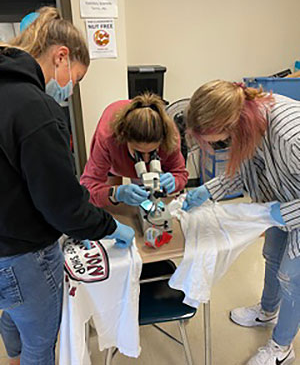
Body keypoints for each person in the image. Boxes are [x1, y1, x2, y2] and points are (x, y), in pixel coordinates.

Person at [0, 7, 134, 365]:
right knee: (41, 344)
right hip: (22, 255)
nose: (71, 88)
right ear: (61, 55)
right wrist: (109, 224)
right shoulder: (35, 109)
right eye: (76, 77)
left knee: (11, 313)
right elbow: (63, 205)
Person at [182, 80, 300, 365]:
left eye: (217, 140)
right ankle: (268, 311)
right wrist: (208, 190)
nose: (221, 146)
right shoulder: (248, 118)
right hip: (283, 197)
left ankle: (282, 347)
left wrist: (284, 214)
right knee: (272, 255)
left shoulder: (290, 135)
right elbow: (248, 166)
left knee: (291, 276)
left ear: (229, 124)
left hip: (293, 204)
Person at [80, 93, 188, 207]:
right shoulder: (108, 139)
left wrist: (175, 182)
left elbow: (180, 174)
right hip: (115, 157)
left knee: (143, 195)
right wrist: (115, 193)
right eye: (139, 153)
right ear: (124, 139)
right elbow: (88, 186)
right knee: (112, 205)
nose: (146, 160)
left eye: (152, 153)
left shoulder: (170, 138)